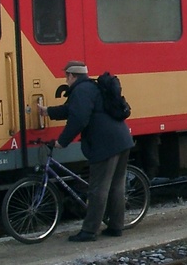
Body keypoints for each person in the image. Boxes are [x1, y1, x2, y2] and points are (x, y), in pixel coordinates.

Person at [37, 60, 134, 241]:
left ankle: (89, 231)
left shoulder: (81, 91)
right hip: (122, 140)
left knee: (98, 189)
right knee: (116, 186)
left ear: (71, 75)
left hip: (105, 145)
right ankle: (116, 227)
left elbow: (79, 118)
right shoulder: (91, 87)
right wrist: (48, 111)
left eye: (66, 76)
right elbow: (70, 109)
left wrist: (62, 142)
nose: (65, 80)